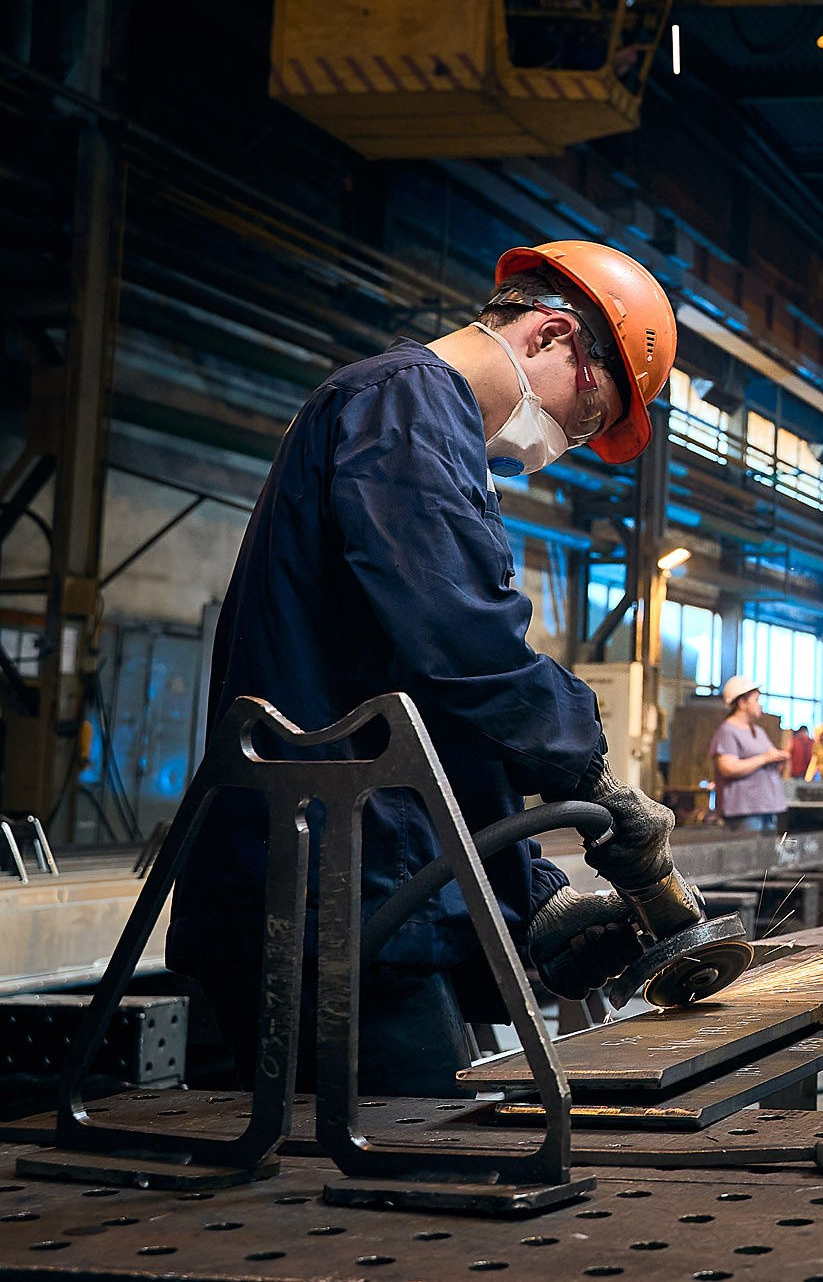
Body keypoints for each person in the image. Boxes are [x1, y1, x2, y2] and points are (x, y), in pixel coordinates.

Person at [167, 240, 688, 1096]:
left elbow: (429, 700)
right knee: (417, 1185)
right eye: (585, 417)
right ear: (554, 335)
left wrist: (537, 894)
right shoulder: (402, 402)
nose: (561, 443)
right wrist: (595, 776)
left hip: (353, 884)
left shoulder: (414, 421)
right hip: (322, 892)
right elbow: (462, 646)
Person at [712, 676, 788, 830]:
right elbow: (727, 768)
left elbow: (770, 759)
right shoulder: (727, 731)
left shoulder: (758, 731)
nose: (760, 705)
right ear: (742, 703)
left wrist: (779, 759)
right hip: (745, 811)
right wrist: (764, 758)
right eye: (756, 700)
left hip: (768, 806)